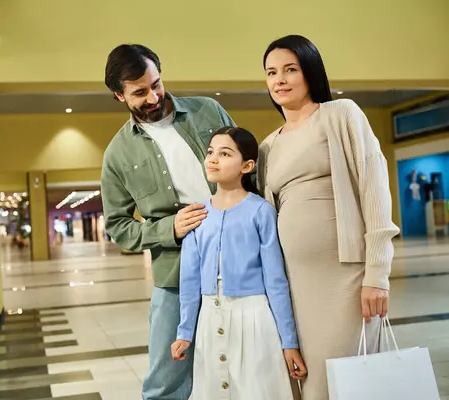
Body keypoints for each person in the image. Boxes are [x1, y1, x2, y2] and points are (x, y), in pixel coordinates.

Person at [257, 34, 400, 399]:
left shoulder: (340, 114)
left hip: (346, 279)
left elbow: (373, 187)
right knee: (306, 382)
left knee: (343, 380)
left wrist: (377, 274)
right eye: (272, 72)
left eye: (291, 69)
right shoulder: (267, 145)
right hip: (293, 284)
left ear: (311, 72)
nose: (280, 79)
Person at [100, 44, 236, 399]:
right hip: (176, 274)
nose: (153, 97)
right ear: (119, 95)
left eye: (156, 84)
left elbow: (250, 168)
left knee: (245, 361)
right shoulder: (118, 153)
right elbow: (118, 226)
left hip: (239, 259)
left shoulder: (208, 111)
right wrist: (169, 229)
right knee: (166, 380)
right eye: (139, 92)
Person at [171, 127, 307, 399]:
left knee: (256, 388)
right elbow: (189, 279)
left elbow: (276, 281)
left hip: (255, 318)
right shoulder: (197, 214)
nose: (213, 159)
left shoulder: (261, 211)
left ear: (247, 165)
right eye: (210, 152)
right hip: (209, 318)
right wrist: (185, 331)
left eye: (224, 153)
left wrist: (289, 342)